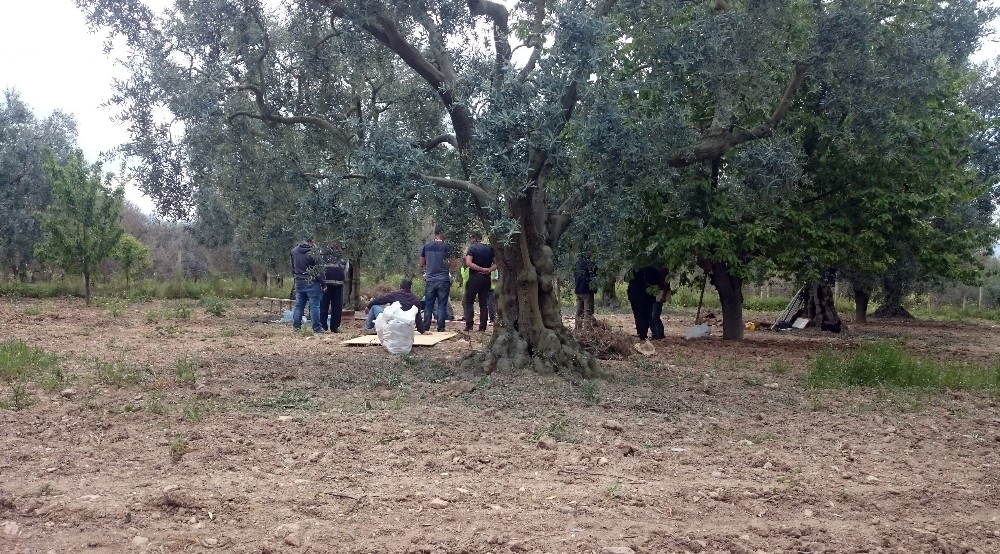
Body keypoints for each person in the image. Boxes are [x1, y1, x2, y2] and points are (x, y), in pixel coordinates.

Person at [419, 228, 454, 333]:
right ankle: (441, 327)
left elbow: (421, 263)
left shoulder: (427, 246)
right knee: (442, 305)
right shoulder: (447, 247)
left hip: (430, 279)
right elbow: (453, 264)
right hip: (443, 279)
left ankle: (425, 327)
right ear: (441, 233)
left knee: (429, 304)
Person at [362, 278, 427, 334]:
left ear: (400, 286)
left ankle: (368, 329)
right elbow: (418, 318)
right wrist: (423, 331)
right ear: (410, 287)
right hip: (406, 326)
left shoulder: (395, 295)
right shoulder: (416, 299)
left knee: (374, 307)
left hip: (392, 324)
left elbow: (379, 300)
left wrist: (368, 306)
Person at [463, 232, 496, 332]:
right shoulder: (490, 249)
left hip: (474, 277)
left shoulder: (472, 248)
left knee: (468, 302)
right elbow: (498, 263)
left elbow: (468, 263)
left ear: (475, 238)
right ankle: (482, 327)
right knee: (483, 303)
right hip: (486, 279)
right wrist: (489, 270)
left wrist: (480, 269)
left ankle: (469, 326)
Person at [290, 237, 323, 333]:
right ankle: (317, 328)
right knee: (314, 306)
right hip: (312, 282)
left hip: (299, 281)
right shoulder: (314, 253)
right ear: (312, 241)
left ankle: (296, 327)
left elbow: (292, 267)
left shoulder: (294, 251)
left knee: (299, 305)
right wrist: (323, 283)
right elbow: (319, 271)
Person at [319, 241, 349, 333]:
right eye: (334, 242)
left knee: (337, 307)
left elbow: (346, 269)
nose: (336, 244)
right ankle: (323, 326)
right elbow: (319, 268)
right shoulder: (323, 254)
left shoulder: (343, 256)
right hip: (326, 284)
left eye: (338, 242)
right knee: (323, 306)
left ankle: (335, 327)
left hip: (338, 284)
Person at [627, 265, 661, 341]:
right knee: (647, 315)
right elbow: (659, 284)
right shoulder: (654, 270)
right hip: (648, 297)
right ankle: (643, 333)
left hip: (636, 297)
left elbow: (627, 280)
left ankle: (642, 334)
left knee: (639, 316)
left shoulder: (634, 269)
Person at [573, 254, 598, 331]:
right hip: (587, 291)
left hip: (578, 290)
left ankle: (577, 330)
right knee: (588, 312)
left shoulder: (576, 264)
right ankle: (587, 332)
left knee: (579, 312)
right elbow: (594, 276)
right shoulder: (590, 264)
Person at [649, 267, 671, 340]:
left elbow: (666, 284)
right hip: (652, 294)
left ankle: (660, 334)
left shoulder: (663, 271)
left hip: (658, 294)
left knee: (655, 315)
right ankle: (655, 334)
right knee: (650, 316)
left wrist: (664, 296)